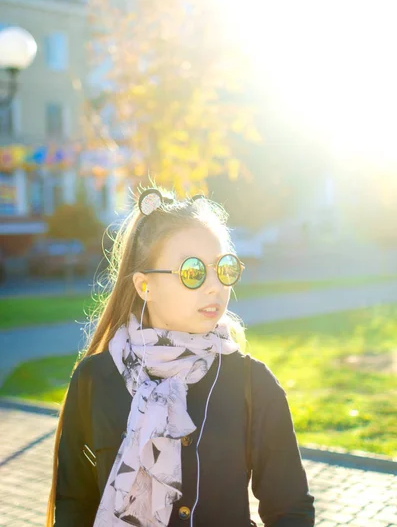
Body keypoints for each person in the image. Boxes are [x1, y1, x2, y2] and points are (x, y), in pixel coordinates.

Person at [47, 186, 315, 527]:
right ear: (145, 286)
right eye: (193, 272)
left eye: (224, 268)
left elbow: (290, 510)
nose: (215, 286)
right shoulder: (94, 379)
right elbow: (74, 503)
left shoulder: (254, 385)